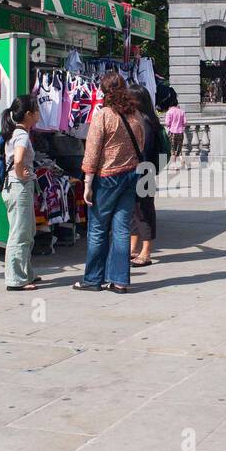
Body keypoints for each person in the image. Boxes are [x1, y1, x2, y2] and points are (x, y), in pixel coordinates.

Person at [76, 71, 145, 293]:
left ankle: (93, 279)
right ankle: (119, 281)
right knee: (122, 229)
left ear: (104, 91)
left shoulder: (103, 115)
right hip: (130, 175)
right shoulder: (136, 115)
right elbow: (142, 144)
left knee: (97, 229)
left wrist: (87, 182)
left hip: (106, 178)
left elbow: (92, 150)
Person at [2, 95, 42, 291]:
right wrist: (20, 173)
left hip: (17, 185)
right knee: (19, 233)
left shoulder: (16, 132)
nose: (39, 113)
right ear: (28, 114)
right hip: (19, 186)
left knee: (27, 231)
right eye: (36, 109)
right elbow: (18, 159)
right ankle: (16, 279)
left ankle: (26, 273)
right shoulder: (22, 135)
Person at [130, 88, 162, 268]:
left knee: (144, 210)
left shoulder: (146, 122)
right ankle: (133, 248)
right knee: (134, 210)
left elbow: (145, 150)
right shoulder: (140, 119)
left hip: (144, 170)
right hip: (139, 170)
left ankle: (146, 251)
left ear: (138, 100)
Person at [165, 97, 186, 167]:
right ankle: (182, 159)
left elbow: (167, 123)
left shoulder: (169, 112)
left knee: (172, 149)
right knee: (179, 148)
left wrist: (170, 126)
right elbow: (185, 123)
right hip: (180, 132)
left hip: (172, 132)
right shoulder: (182, 111)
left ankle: (174, 165)